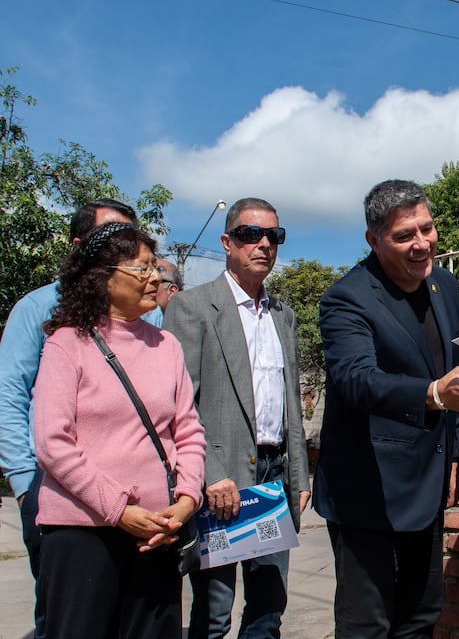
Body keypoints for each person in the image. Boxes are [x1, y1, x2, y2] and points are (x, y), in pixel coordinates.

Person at [313, 179, 459, 637]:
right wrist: (434, 395)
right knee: (368, 626)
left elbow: (453, 370)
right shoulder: (346, 298)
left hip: (427, 487)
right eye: (405, 235)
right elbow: (356, 381)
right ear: (373, 239)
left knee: (421, 617)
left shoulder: (443, 283)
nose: (422, 243)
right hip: (367, 493)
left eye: (427, 228)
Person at [33, 222, 206, 639]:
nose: (156, 278)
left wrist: (186, 501)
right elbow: (53, 443)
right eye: (142, 269)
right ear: (103, 276)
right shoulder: (67, 343)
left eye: (155, 268)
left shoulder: (167, 345)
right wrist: (119, 511)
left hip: (158, 534)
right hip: (83, 537)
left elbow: (189, 431)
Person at [0, 198, 160, 638]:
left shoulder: (153, 318)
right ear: (80, 249)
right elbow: (11, 397)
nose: (126, 252)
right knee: (65, 620)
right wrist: (24, 484)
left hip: (144, 511)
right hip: (63, 500)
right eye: (110, 240)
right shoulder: (42, 313)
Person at [164, 197, 310, 639]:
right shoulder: (191, 308)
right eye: (251, 234)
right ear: (228, 242)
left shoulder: (282, 315)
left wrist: (299, 477)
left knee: (268, 609)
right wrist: (206, 474)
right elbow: (176, 406)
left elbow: (288, 405)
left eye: (274, 236)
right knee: (214, 613)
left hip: (273, 478)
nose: (264, 244)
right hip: (220, 483)